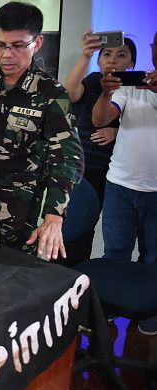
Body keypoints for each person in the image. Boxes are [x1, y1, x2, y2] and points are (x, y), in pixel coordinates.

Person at [0, 1, 84, 260]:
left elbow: (68, 157)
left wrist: (54, 214)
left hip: (21, 201)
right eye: (0, 45)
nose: (7, 55)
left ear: (37, 43)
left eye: (17, 46)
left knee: (15, 268)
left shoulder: (51, 93)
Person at [92, 31, 157, 335]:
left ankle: (148, 310)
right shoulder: (131, 86)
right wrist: (106, 93)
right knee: (115, 252)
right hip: (120, 184)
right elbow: (101, 119)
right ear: (152, 50)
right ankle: (109, 306)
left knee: (153, 257)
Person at [62, 32, 137, 265]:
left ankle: (84, 272)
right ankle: (64, 271)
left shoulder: (137, 88)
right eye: (107, 54)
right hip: (77, 163)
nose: (112, 59)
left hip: (109, 169)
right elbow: (70, 93)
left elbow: (144, 130)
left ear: (131, 63)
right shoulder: (94, 80)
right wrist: (85, 55)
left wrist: (117, 132)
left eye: (121, 55)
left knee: (98, 227)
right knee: (68, 223)